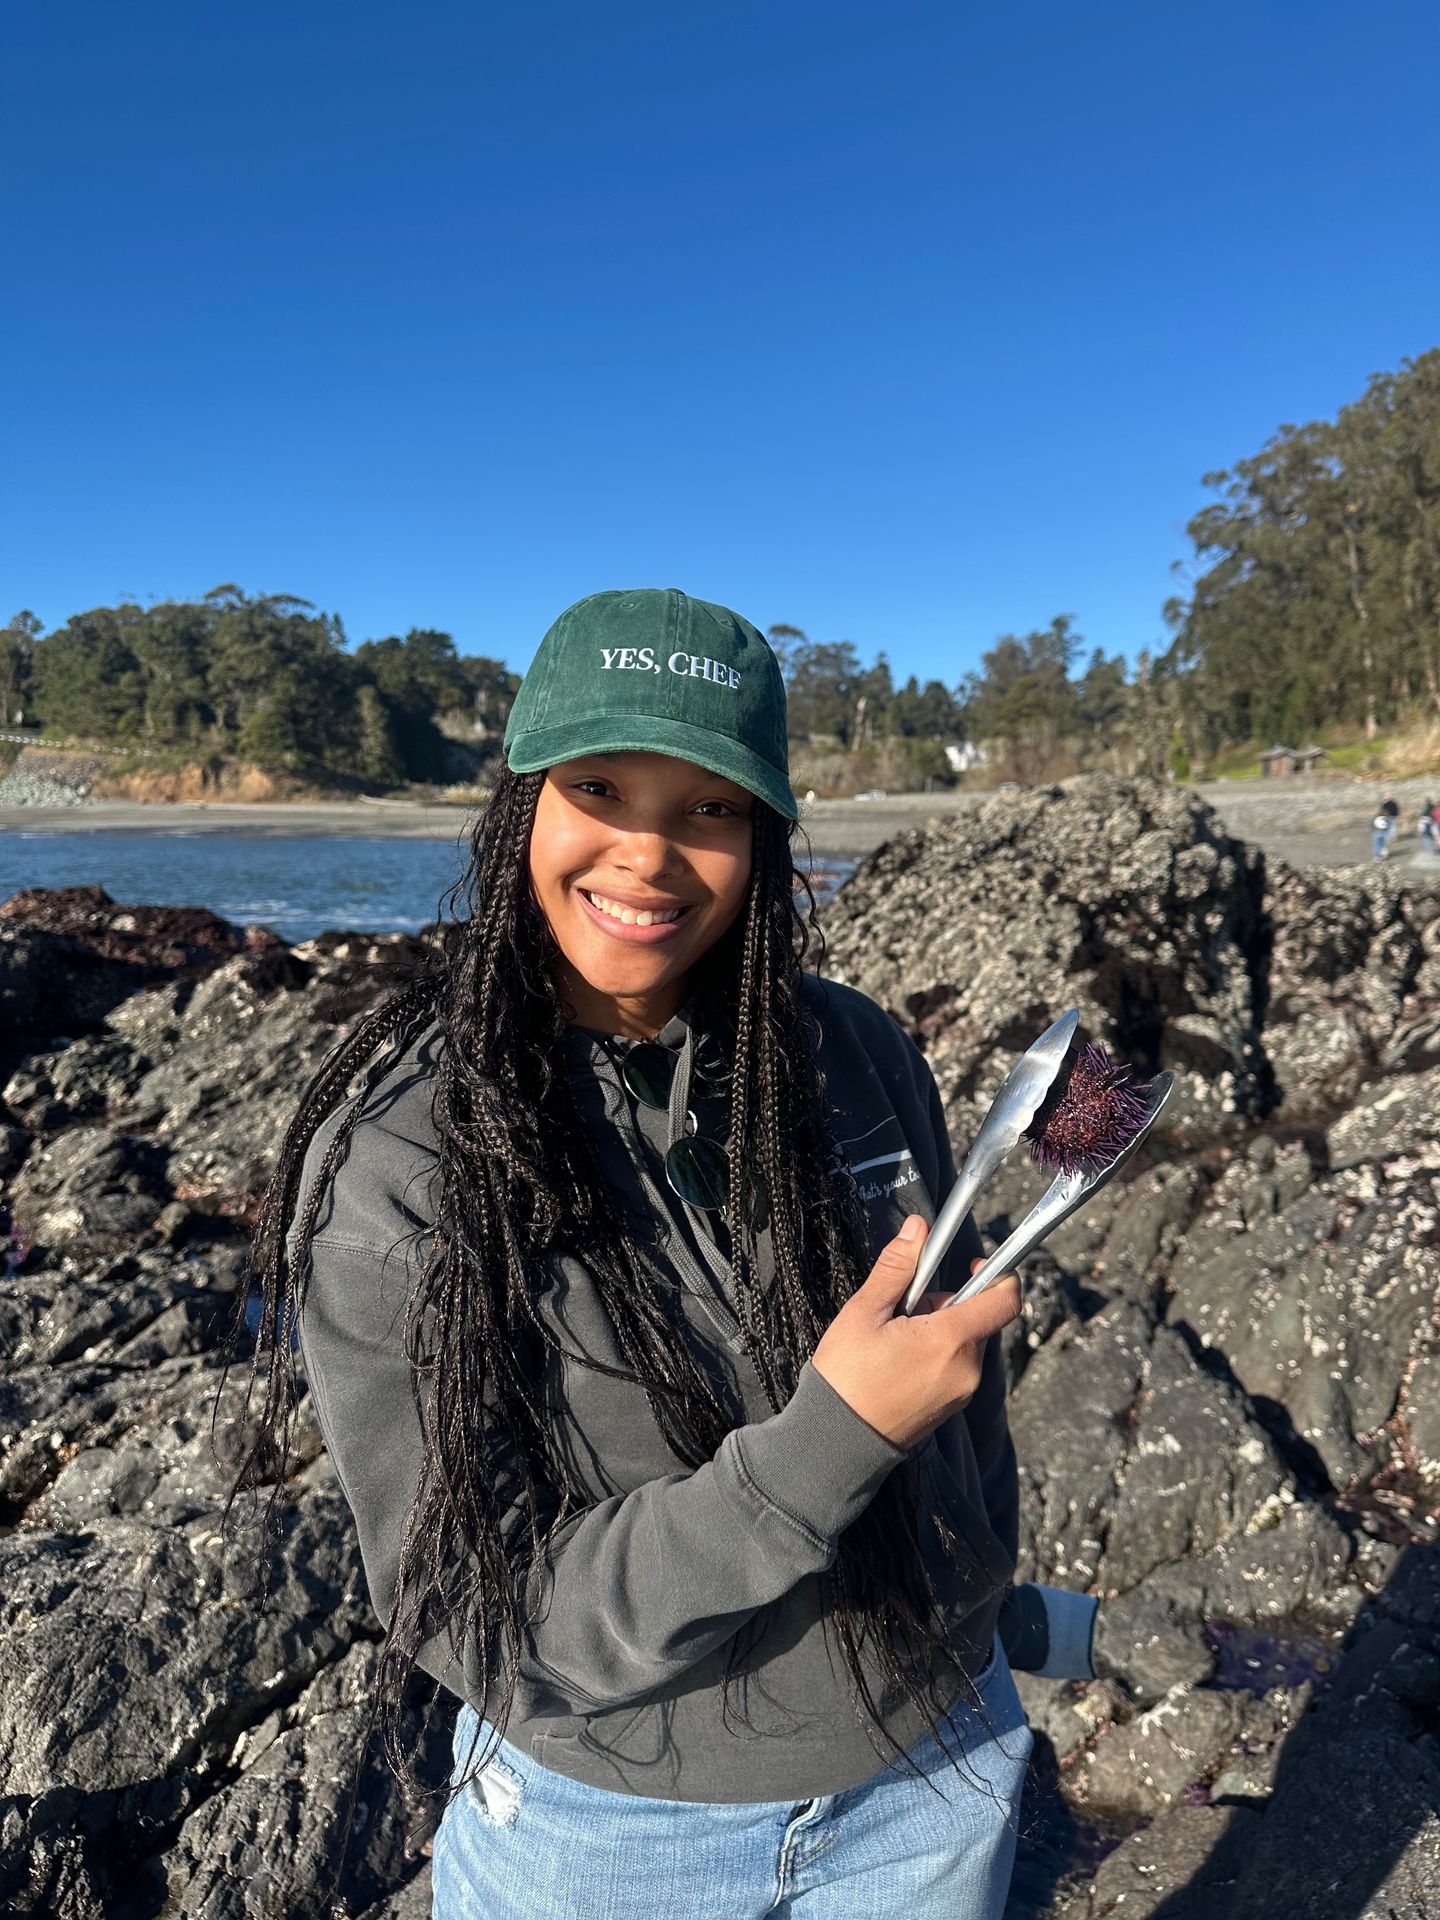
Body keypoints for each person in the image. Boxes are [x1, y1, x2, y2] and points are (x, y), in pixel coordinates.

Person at [221, 589, 1097, 1920]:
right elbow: (484, 1612)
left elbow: (968, 1397)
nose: (647, 856)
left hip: (935, 1775)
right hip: (612, 1835)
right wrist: (829, 1439)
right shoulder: (408, 1159)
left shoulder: (855, 1055)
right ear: (522, 801)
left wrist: (980, 1610)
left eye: (709, 809)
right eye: (601, 789)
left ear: (765, 834)